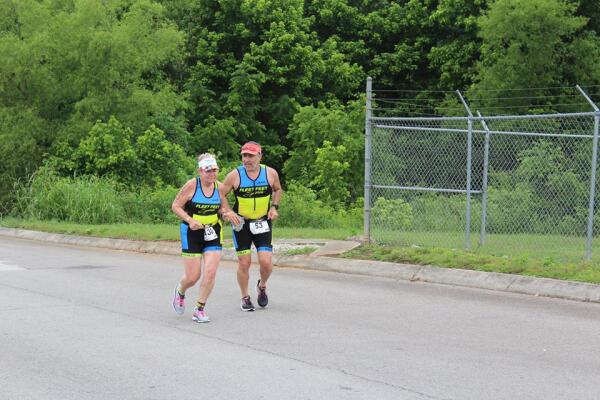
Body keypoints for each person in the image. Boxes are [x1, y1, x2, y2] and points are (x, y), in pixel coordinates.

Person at [219, 141, 282, 311]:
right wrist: (229, 211)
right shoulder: (235, 175)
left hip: (262, 221)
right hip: (241, 223)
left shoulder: (270, 173)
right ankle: (245, 297)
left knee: (266, 262)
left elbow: (277, 190)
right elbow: (221, 194)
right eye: (244, 155)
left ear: (260, 156)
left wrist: (274, 207)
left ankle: (262, 286)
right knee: (244, 262)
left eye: (251, 156)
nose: (247, 159)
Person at [171, 153, 232, 323]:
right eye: (208, 171)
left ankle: (199, 309)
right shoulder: (191, 185)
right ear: (200, 171)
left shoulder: (220, 187)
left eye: (214, 170)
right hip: (191, 233)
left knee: (210, 272)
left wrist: (228, 215)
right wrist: (190, 220)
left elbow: (223, 209)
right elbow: (175, 206)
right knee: (193, 276)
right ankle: (181, 290)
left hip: (213, 232)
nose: (212, 174)